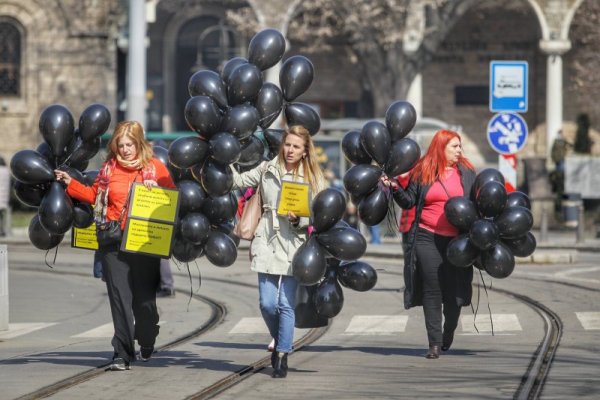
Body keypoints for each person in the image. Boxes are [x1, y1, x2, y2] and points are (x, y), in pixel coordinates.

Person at [55, 121, 176, 371]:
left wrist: (158, 193)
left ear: (139, 144)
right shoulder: (109, 168)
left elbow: (173, 200)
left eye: (129, 145)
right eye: (120, 145)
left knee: (145, 303)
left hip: (144, 243)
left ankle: (147, 336)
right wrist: (70, 184)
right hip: (113, 242)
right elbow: (94, 195)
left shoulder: (154, 167)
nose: (125, 150)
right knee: (120, 298)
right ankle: (121, 353)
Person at [230, 125, 327, 378]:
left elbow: (321, 213)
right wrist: (223, 159)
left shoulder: (313, 178)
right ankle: (280, 338)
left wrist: (300, 221)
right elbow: (237, 181)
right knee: (266, 303)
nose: (290, 150)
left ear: (305, 151)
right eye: (287, 144)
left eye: (296, 146)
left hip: (295, 244)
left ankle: (282, 353)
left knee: (285, 303)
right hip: (267, 239)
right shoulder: (267, 168)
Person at [382, 129, 476, 360]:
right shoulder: (423, 171)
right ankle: (434, 343)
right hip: (426, 237)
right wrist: (394, 188)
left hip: (458, 242)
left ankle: (449, 330)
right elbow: (409, 201)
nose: (459, 151)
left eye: (459, 146)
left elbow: (477, 203)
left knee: (454, 294)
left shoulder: (467, 173)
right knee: (431, 289)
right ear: (441, 147)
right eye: (454, 146)